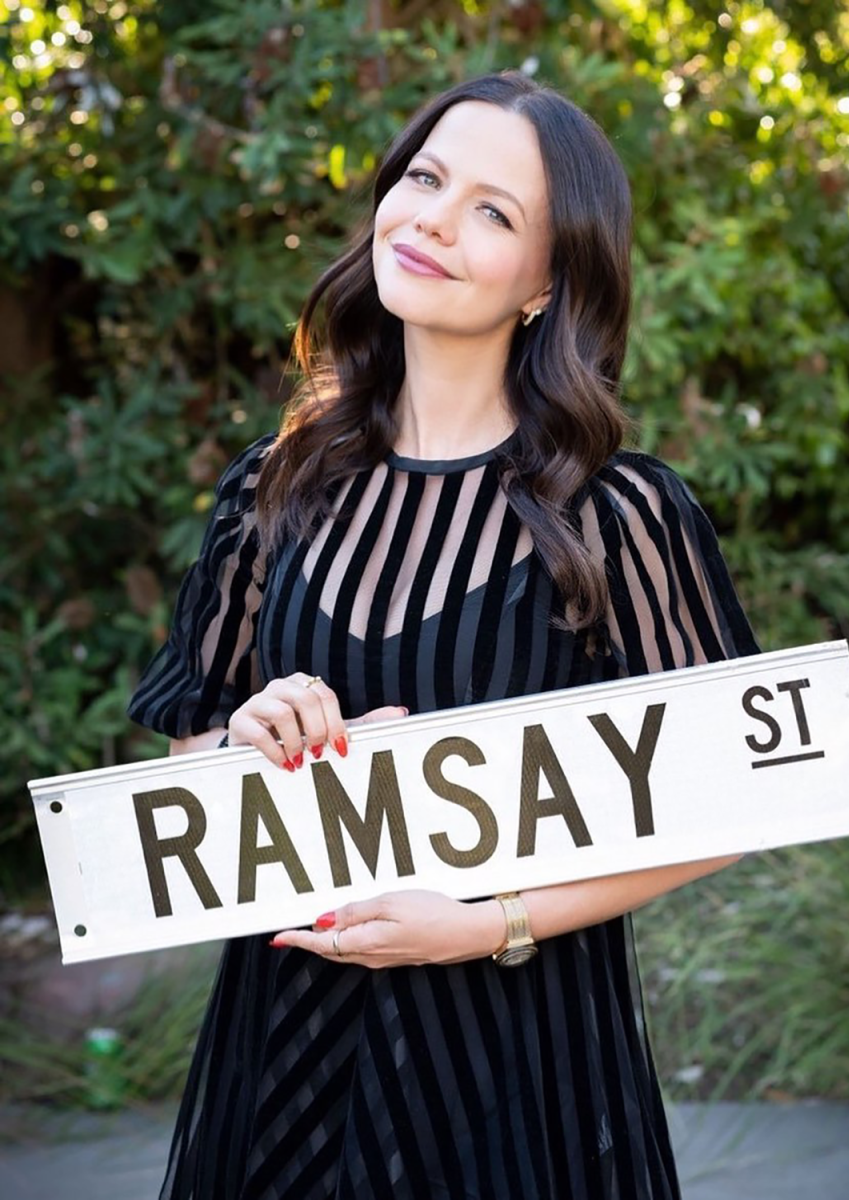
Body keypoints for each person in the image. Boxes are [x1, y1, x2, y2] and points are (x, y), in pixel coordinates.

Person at [128, 69, 759, 1200]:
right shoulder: (275, 489)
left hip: (513, 1063)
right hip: (283, 1054)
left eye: (492, 211)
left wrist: (487, 922)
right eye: (425, 177)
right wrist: (244, 743)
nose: (431, 217)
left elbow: (731, 804)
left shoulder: (619, 514)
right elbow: (188, 762)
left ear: (548, 282)